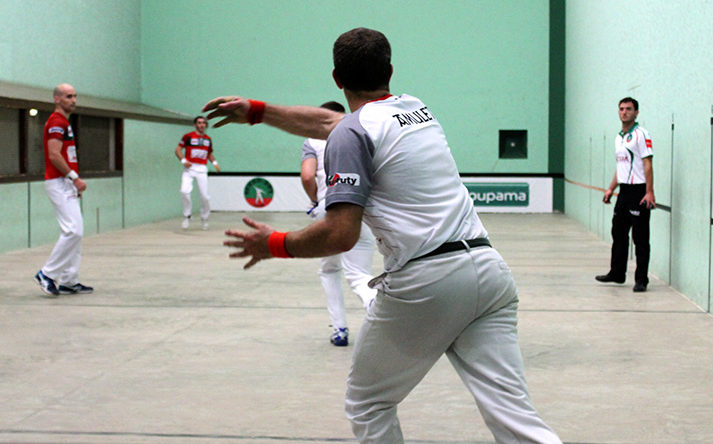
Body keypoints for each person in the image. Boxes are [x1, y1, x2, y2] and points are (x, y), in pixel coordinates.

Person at [203, 28, 561, 444]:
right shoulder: (416, 110)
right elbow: (330, 122)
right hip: (489, 273)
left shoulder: (352, 134)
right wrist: (258, 112)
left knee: (368, 404)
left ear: (336, 78)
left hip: (428, 282)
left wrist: (274, 244)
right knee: (516, 418)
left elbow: (340, 234)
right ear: (390, 70)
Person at [301, 101, 377, 347]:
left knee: (330, 270)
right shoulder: (360, 135)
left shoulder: (312, 142)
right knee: (359, 274)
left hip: (329, 208)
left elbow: (307, 175)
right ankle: (379, 312)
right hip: (362, 207)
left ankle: (340, 329)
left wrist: (315, 200)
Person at [34, 83, 93, 296]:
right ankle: (47, 274)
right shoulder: (56, 122)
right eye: (69, 96)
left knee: (76, 232)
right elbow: (54, 154)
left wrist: (72, 181)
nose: (74, 100)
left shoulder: (64, 122)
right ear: (57, 99)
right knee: (73, 230)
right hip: (58, 182)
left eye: (75, 96)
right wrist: (74, 178)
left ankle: (69, 280)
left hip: (66, 182)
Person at [595, 97, 655, 292]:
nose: (624, 112)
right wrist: (611, 188)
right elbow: (621, 166)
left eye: (629, 109)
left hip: (639, 191)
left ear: (636, 112)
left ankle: (641, 280)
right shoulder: (619, 137)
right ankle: (617, 273)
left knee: (640, 238)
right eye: (621, 109)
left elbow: (647, 164)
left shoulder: (641, 134)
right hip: (623, 192)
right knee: (618, 234)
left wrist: (649, 192)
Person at [175, 116, 221, 230]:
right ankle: (187, 216)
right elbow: (178, 149)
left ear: (205, 125)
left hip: (202, 169)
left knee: (205, 196)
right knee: (184, 191)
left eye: (203, 123)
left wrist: (214, 162)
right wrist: (184, 161)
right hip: (189, 169)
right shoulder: (188, 136)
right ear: (195, 125)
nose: (201, 125)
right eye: (199, 123)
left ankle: (205, 218)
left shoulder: (208, 139)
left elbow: (208, 153)